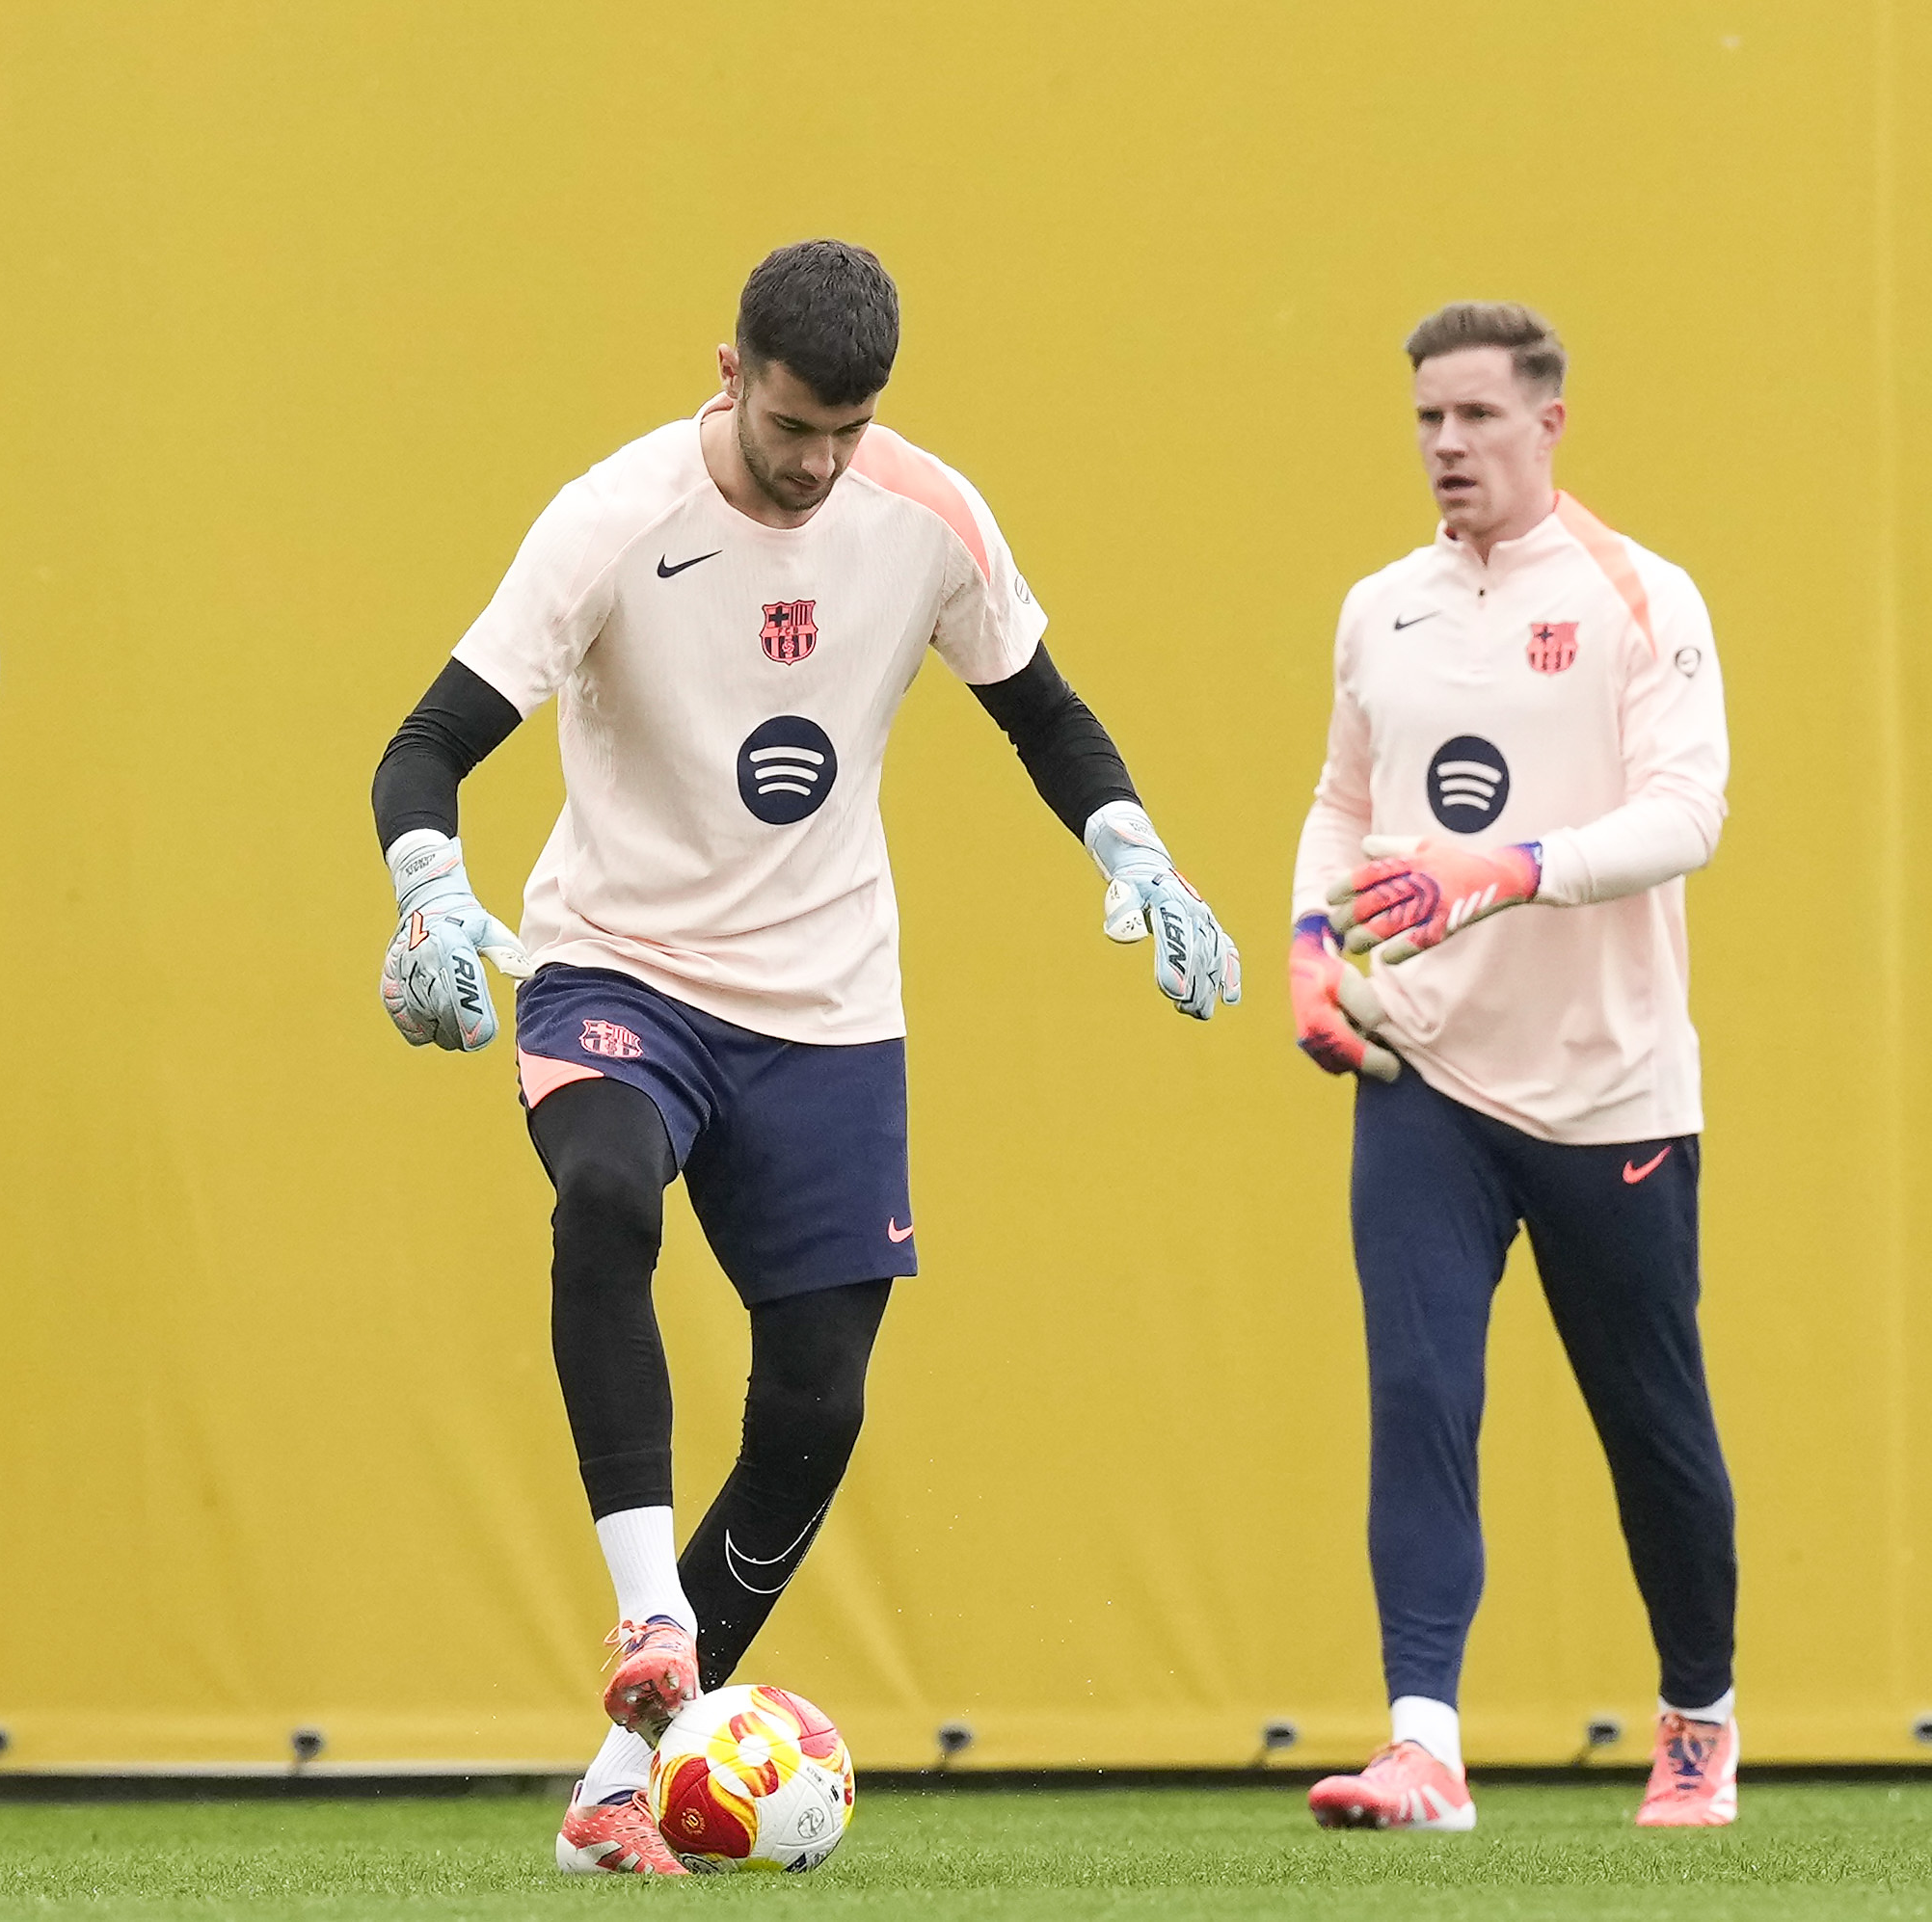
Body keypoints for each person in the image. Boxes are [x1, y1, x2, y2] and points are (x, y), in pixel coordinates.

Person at [370, 239, 1242, 1875]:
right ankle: (653, 1619)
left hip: (829, 1001)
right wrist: (430, 890)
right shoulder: (612, 518)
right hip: (616, 967)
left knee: (818, 1408)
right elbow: (426, 744)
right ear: (728, 372)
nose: (818, 463)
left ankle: (617, 1783)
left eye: (846, 431)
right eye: (791, 427)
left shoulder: (927, 515)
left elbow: (1042, 711)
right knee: (606, 1198)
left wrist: (1137, 852)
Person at [1290, 302, 1736, 1831]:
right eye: (1426, 418)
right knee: (1420, 1393)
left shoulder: (1640, 597)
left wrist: (1512, 867)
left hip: (1609, 1088)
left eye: (1475, 417)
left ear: (1549, 422)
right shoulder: (1381, 606)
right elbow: (1343, 802)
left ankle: (1698, 1715)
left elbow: (1688, 814)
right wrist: (1308, 944)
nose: (1445, 447)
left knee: (1650, 1419)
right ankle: (1425, 1743)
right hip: (1425, 1076)